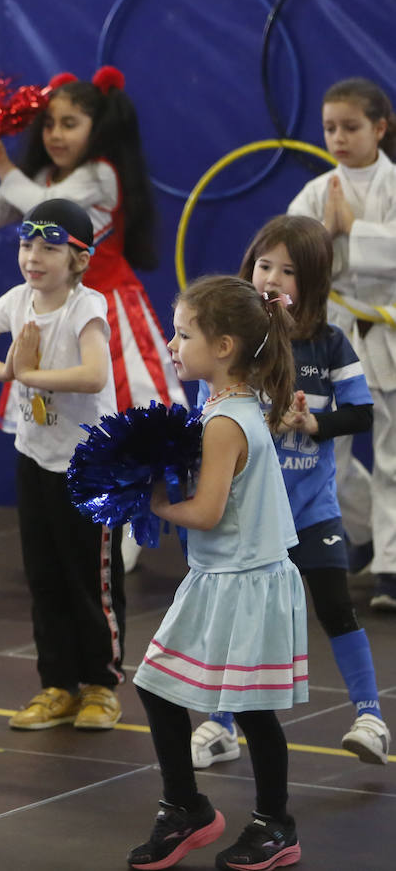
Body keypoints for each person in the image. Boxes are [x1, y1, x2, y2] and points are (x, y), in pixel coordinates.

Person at [0, 67, 183, 572]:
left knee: (124, 418)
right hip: (55, 316)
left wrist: (0, 160)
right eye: (49, 125)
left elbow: (43, 211)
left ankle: (125, 523)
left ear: (96, 128)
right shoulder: (44, 179)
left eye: (70, 123)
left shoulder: (101, 175)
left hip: (109, 311)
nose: (56, 135)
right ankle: (80, 522)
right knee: (60, 423)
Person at [185, 217, 387, 769]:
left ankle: (370, 716)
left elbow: (362, 413)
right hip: (250, 518)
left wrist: (314, 425)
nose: (271, 278)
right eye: (263, 265)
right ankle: (223, 724)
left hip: (312, 512)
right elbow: (205, 418)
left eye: (289, 270)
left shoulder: (330, 342)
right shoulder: (236, 346)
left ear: (314, 282)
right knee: (241, 620)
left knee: (335, 607)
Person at [128, 275, 306, 871]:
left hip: (245, 581)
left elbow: (205, 513)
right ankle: (187, 809)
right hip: (220, 577)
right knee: (156, 684)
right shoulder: (227, 406)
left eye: (183, 334)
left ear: (224, 346)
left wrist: (152, 502)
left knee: (254, 708)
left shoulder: (225, 421)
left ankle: (274, 823)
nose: (173, 345)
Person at [0, 199, 126, 732]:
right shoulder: (16, 300)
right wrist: (9, 372)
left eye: (50, 248)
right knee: (44, 574)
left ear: (78, 259)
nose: (34, 257)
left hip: (90, 463)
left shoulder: (85, 307)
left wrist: (30, 375)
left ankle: (101, 684)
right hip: (36, 457)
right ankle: (57, 684)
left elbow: (94, 375)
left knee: (90, 578)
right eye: (27, 245)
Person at [287, 77, 396, 610]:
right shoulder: (317, 191)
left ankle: (392, 572)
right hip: (332, 337)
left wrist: (357, 228)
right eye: (330, 127)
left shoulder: (394, 186)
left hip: (387, 332)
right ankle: (363, 534)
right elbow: (288, 255)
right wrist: (327, 234)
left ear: (379, 127)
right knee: (327, 447)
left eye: (350, 127)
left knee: (392, 457)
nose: (338, 137)